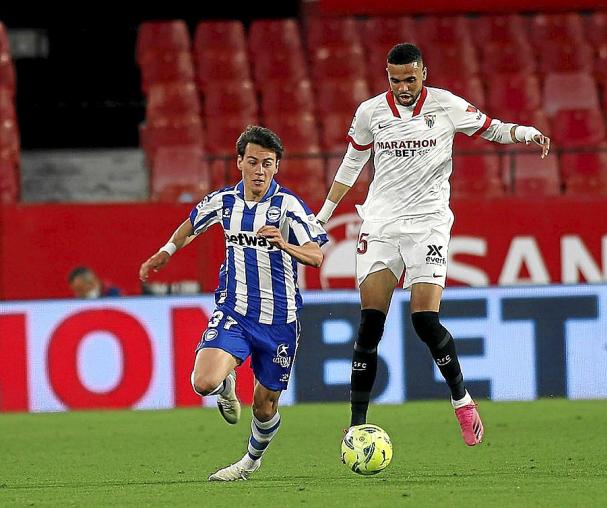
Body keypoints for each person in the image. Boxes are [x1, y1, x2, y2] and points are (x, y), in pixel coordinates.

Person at [315, 43, 551, 447]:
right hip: (382, 223)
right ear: (386, 76)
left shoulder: (445, 106)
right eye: (395, 80)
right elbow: (352, 164)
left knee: (424, 320)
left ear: (423, 72)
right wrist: (322, 216)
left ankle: (462, 400)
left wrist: (526, 133)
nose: (403, 87)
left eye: (410, 78)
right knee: (371, 323)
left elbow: (490, 126)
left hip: (427, 225)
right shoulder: (370, 112)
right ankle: (356, 426)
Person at [139, 126, 327, 481]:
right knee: (203, 382)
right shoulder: (223, 201)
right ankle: (226, 383)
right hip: (235, 311)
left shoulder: (289, 206)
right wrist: (165, 252)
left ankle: (249, 463)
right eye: (253, 162)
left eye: (267, 164)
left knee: (264, 404)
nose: (259, 170)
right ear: (239, 161)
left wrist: (285, 245)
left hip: (279, 320)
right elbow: (191, 224)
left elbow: (316, 256)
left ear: (276, 167)